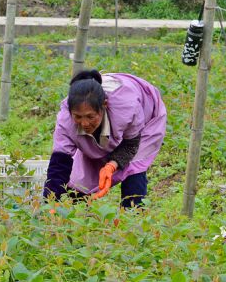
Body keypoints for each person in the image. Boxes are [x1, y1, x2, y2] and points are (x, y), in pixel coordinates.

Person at [42, 69, 167, 208]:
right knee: (80, 176)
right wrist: (50, 203)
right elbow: (59, 163)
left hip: (146, 116)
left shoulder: (126, 108)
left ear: (105, 105)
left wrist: (111, 165)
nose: (84, 124)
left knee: (133, 169)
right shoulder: (66, 120)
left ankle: (132, 214)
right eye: (78, 117)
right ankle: (77, 213)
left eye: (90, 117)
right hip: (112, 116)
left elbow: (131, 144)